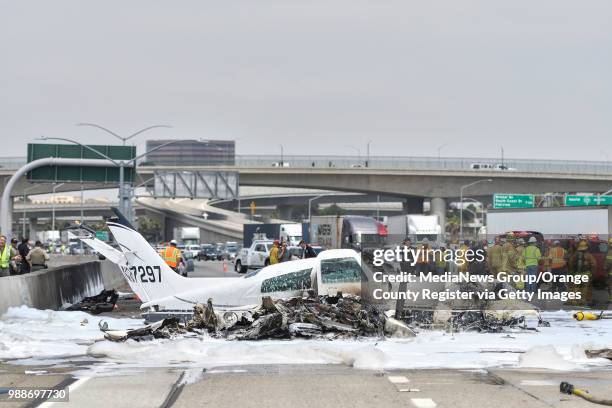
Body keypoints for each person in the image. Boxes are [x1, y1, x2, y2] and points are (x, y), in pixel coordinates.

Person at [568, 240, 596, 305]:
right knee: (584, 287)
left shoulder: (575, 255)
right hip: (586, 274)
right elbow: (594, 265)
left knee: (576, 287)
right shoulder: (589, 255)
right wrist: (592, 273)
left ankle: (574, 300)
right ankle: (582, 300)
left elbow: (570, 263)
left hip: (577, 274)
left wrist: (572, 272)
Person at [606, 238, 612, 305]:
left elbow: (608, 263)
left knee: (610, 286)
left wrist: (605, 268)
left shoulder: (610, 252)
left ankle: (611, 299)